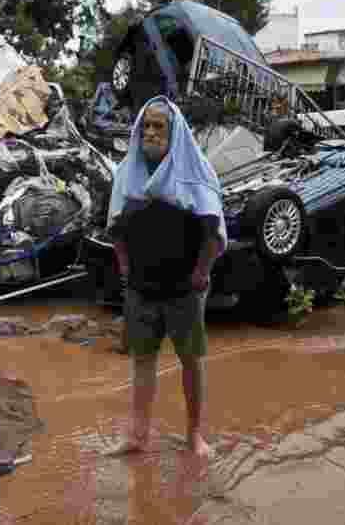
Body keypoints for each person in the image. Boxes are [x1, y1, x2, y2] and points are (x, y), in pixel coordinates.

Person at [107, 95, 227, 459]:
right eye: (146, 126)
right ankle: (137, 435)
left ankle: (194, 436)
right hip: (142, 287)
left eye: (159, 126)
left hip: (184, 288)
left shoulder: (196, 171)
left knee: (191, 362)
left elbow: (212, 228)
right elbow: (116, 225)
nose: (151, 132)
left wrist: (202, 272)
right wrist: (125, 266)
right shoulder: (127, 173)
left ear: (174, 132)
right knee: (143, 362)